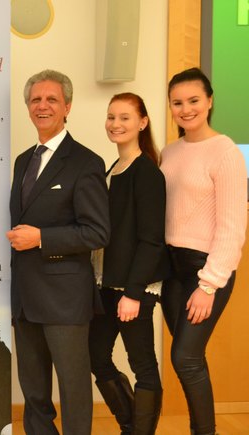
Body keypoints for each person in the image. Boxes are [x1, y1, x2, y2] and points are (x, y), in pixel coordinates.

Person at [7, 70, 110, 435]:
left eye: (51, 99)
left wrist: (41, 238)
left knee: (73, 389)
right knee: (34, 392)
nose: (43, 106)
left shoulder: (86, 162)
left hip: (65, 299)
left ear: (67, 107)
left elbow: (97, 232)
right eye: (36, 100)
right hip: (25, 297)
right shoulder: (23, 161)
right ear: (28, 107)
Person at [160, 67, 247, 435]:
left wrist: (209, 284)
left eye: (194, 100)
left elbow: (232, 227)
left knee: (185, 358)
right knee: (189, 359)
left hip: (204, 269)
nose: (186, 109)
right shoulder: (169, 152)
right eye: (177, 102)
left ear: (209, 101)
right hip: (171, 269)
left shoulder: (226, 152)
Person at [88, 93, 170, 434]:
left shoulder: (147, 173)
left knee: (143, 366)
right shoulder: (112, 170)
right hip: (107, 284)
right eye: (111, 117)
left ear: (142, 123)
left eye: (124, 117)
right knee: (97, 357)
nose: (115, 124)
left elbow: (152, 240)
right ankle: (130, 426)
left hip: (133, 288)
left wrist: (134, 293)